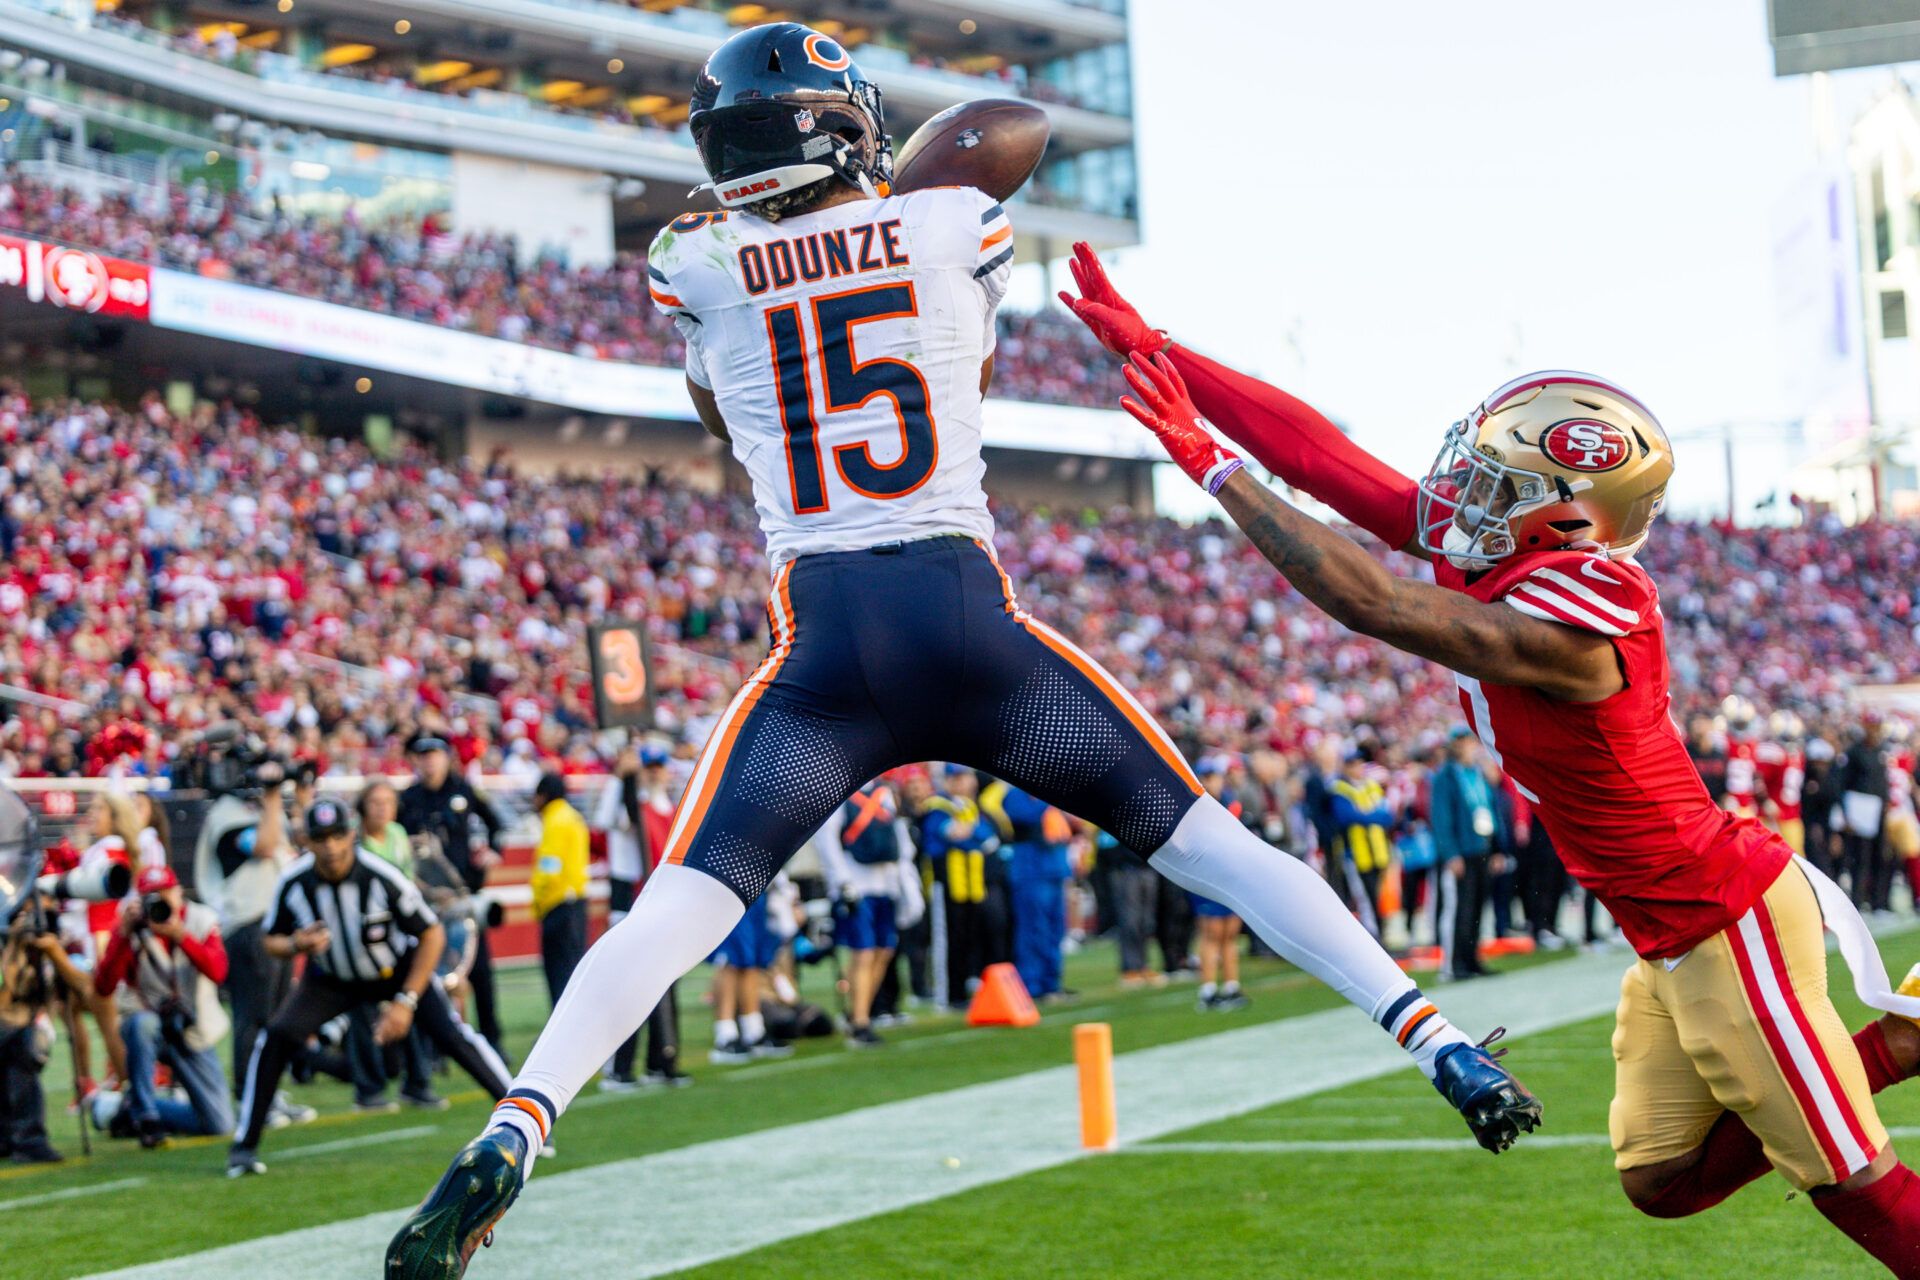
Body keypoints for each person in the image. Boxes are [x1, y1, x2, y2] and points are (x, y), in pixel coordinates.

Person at [389, 27, 1528, 1276]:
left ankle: (519, 1122)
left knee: (684, 899)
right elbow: (1008, 145)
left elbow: (723, 411)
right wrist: (900, 191)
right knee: (1208, 841)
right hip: (970, 623)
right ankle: (1435, 1039)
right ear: (843, 133)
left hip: (826, 645)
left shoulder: (693, 261)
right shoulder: (948, 230)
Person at [1062, 248, 1920, 1274]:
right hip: (1670, 928)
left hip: (1723, 916)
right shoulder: (1507, 550)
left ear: (1570, 512)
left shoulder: (1591, 615)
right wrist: (1162, 351)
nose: (1461, 487)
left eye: (1495, 478)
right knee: (1663, 1178)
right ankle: (1905, 1041)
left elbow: (1379, 602)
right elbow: (1326, 458)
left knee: (1854, 1182)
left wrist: (1207, 465)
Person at [229, 799, 511, 1177]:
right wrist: (297, 945)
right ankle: (245, 1145)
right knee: (278, 1036)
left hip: (394, 971)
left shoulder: (381, 875)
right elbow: (271, 940)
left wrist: (406, 1001)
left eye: (337, 836)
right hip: (331, 978)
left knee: (452, 1036)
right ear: (307, 841)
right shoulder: (294, 881)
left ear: (351, 835)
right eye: (320, 838)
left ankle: (524, 1121)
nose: (330, 846)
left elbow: (430, 933)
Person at [195, 774, 310, 1127]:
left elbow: (298, 841)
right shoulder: (226, 814)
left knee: (275, 1018)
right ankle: (250, 1096)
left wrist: (301, 796)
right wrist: (274, 797)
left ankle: (267, 1094)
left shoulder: (256, 810)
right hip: (247, 924)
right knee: (255, 1016)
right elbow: (263, 845)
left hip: (272, 923)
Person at [92, 866, 233, 1146]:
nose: (160, 901)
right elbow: (103, 986)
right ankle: (146, 1117)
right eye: (151, 896)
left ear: (178, 891)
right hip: (152, 1028)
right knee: (141, 1024)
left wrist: (180, 934)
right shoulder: (133, 929)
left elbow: (218, 972)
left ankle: (127, 1108)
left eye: (165, 892)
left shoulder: (200, 919)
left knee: (220, 1123)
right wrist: (123, 935)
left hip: (192, 1030)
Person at [398, 736, 505, 1051]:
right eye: (423, 756)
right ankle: (435, 1045)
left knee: (480, 970)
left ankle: (491, 1040)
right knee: (431, 973)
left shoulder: (465, 790)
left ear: (447, 758)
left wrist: (493, 851)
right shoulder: (408, 799)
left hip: (462, 896)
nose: (429, 762)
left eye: (434, 755)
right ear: (415, 761)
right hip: (426, 900)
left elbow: (496, 823)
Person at [594, 743, 687, 1090]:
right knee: (629, 988)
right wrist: (621, 779)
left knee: (663, 985)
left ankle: (661, 1060)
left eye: (658, 764)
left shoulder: (670, 808)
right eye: (648, 765)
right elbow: (604, 823)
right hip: (633, 906)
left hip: (663, 906)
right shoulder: (632, 806)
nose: (654, 771)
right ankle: (620, 1067)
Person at [818, 779, 917, 1045]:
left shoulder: (884, 792)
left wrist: (904, 881)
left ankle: (860, 1011)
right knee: (863, 952)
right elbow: (827, 840)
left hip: (886, 882)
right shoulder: (841, 794)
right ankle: (860, 1021)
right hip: (857, 883)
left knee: (884, 951)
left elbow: (899, 836)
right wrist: (841, 881)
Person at [1, 896, 91, 1163]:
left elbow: (86, 990)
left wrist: (54, 953)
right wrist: (14, 945)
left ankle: (28, 1138)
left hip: (24, 1031)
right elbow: (4, 999)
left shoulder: (55, 947)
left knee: (29, 1041)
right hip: (6, 1026)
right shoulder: (6, 943)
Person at [982, 780, 1072, 1002]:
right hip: (1031, 870)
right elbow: (1024, 816)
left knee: (1055, 929)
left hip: (1054, 868)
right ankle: (1032, 985)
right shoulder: (1014, 794)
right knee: (1034, 929)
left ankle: (1052, 982)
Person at [1430, 730, 1499, 981]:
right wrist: (1451, 854)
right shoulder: (1445, 777)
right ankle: (1455, 964)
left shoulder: (1476, 773)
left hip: (1481, 846)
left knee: (1479, 907)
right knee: (1461, 908)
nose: (1469, 747)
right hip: (1462, 852)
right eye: (1463, 742)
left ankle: (1473, 959)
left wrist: (1497, 848)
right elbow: (1441, 818)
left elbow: (1490, 809)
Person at [530, 773, 590, 1007]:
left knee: (558, 974)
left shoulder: (554, 820)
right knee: (574, 970)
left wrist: (538, 900)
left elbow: (549, 866)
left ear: (543, 795)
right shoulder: (574, 817)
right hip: (576, 900)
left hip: (557, 905)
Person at [1328, 748, 1391, 938]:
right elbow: (1345, 816)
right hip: (1355, 852)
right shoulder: (1340, 789)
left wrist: (1363, 816)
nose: (1357, 768)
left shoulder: (1371, 785)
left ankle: (1381, 934)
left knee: (1378, 896)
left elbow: (1387, 816)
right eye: (1352, 764)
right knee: (1364, 898)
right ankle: (1374, 937)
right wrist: (1371, 816)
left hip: (1378, 851)